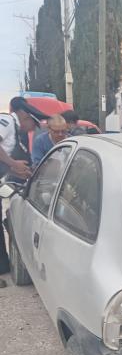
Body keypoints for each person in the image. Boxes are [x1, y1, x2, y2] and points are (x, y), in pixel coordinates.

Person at [0, 96, 49, 275]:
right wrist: (13, 163)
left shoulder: (14, 131)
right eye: (32, 125)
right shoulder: (6, 121)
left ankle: (2, 268)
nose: (30, 130)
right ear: (25, 117)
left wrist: (15, 170)